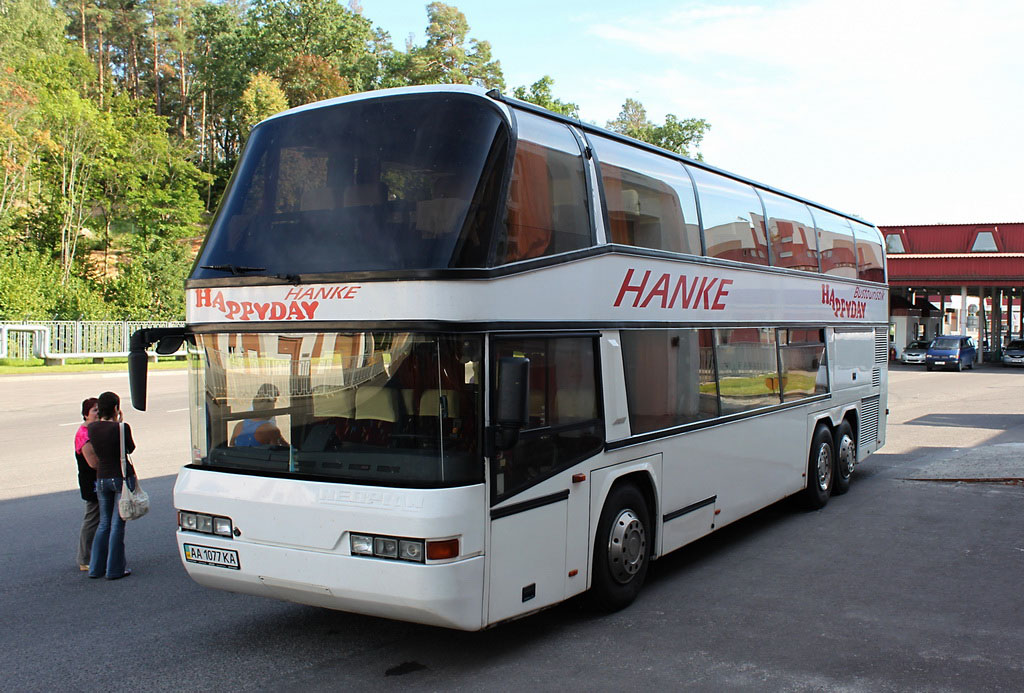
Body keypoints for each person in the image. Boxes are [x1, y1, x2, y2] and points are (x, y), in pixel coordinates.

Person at [81, 391, 136, 580]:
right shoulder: (121, 428)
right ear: (116, 408)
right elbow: (130, 448)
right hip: (119, 477)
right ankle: (115, 569)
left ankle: (95, 568)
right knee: (117, 524)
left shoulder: (93, 428)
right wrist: (120, 422)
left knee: (103, 523)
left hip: (102, 478)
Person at [74, 397, 100, 571]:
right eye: (94, 410)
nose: (98, 413)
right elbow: (93, 463)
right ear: (86, 414)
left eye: (99, 409)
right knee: (92, 519)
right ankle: (84, 558)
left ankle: (95, 555)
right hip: (91, 482)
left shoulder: (94, 430)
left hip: (96, 481)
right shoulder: (84, 434)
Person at [230, 383, 287, 447]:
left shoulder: (238, 426)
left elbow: (231, 446)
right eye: (274, 399)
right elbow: (276, 450)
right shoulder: (270, 429)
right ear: (270, 408)